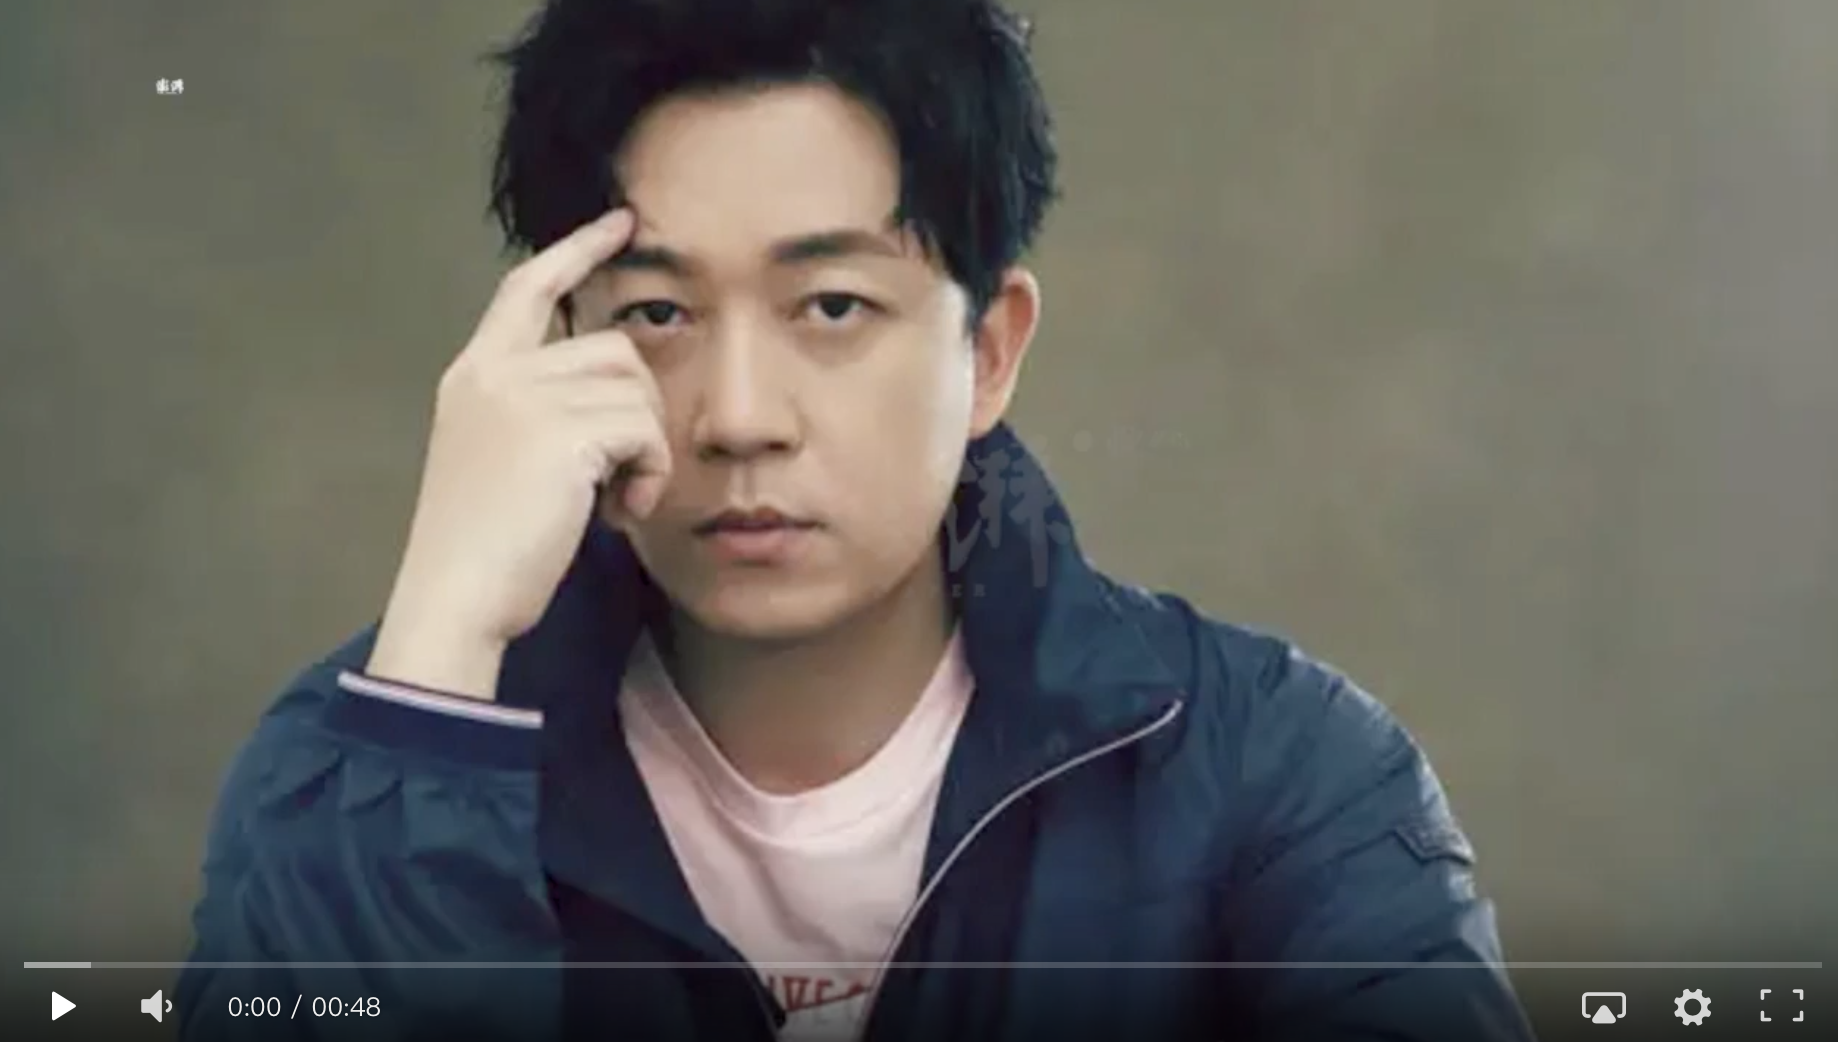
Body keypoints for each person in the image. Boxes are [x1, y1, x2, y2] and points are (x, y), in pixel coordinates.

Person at [175, 1, 1534, 1040]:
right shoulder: (347, 762)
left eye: (831, 306)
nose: (737, 415)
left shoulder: (1274, 775)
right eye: (657, 311)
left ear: (988, 351)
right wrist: (435, 659)